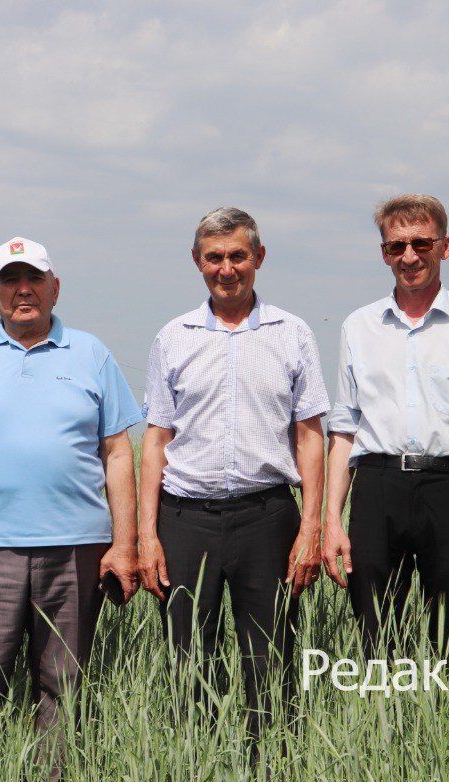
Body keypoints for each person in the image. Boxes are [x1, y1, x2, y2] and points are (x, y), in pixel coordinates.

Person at [0, 236, 143, 775]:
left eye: (35, 279)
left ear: (54, 287)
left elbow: (117, 452)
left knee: (63, 683)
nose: (24, 291)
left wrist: (125, 544)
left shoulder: (92, 353)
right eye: (11, 281)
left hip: (76, 546)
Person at [137, 207, 328, 743]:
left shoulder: (293, 334)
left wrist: (310, 528)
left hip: (267, 518)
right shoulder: (172, 337)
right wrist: (146, 536)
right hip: (185, 518)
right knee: (186, 666)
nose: (227, 268)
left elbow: (310, 436)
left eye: (238, 256)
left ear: (259, 259)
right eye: (214, 257)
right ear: (197, 262)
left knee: (269, 665)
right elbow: (156, 440)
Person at [323, 194, 449, 659]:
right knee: (373, 633)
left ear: (445, 246)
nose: (409, 256)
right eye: (396, 246)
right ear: (384, 253)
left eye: (421, 243)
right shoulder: (358, 326)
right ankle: (377, 727)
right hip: (376, 487)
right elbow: (345, 426)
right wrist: (333, 520)